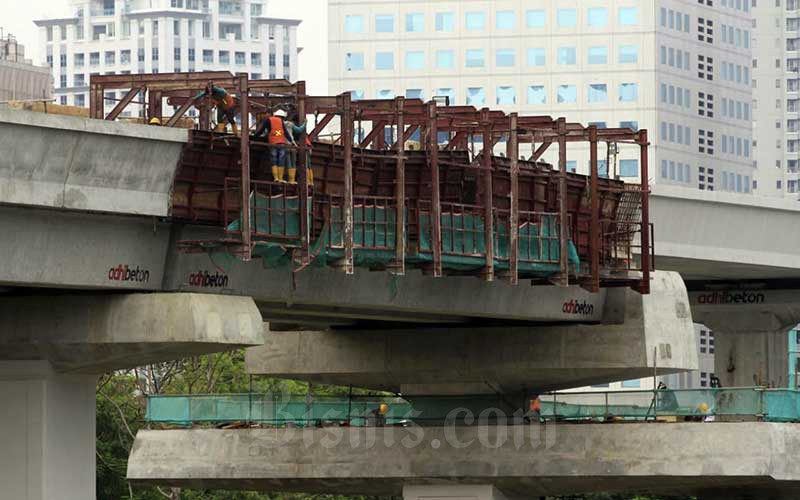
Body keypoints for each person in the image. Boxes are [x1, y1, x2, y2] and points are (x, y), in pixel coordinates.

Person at [254, 108, 293, 183]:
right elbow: (285, 132)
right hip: (282, 142)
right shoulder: (281, 121)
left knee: (274, 159)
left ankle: (276, 178)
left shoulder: (268, 120)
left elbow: (261, 130)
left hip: (273, 142)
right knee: (281, 160)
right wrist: (291, 141)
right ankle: (281, 178)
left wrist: (254, 137)